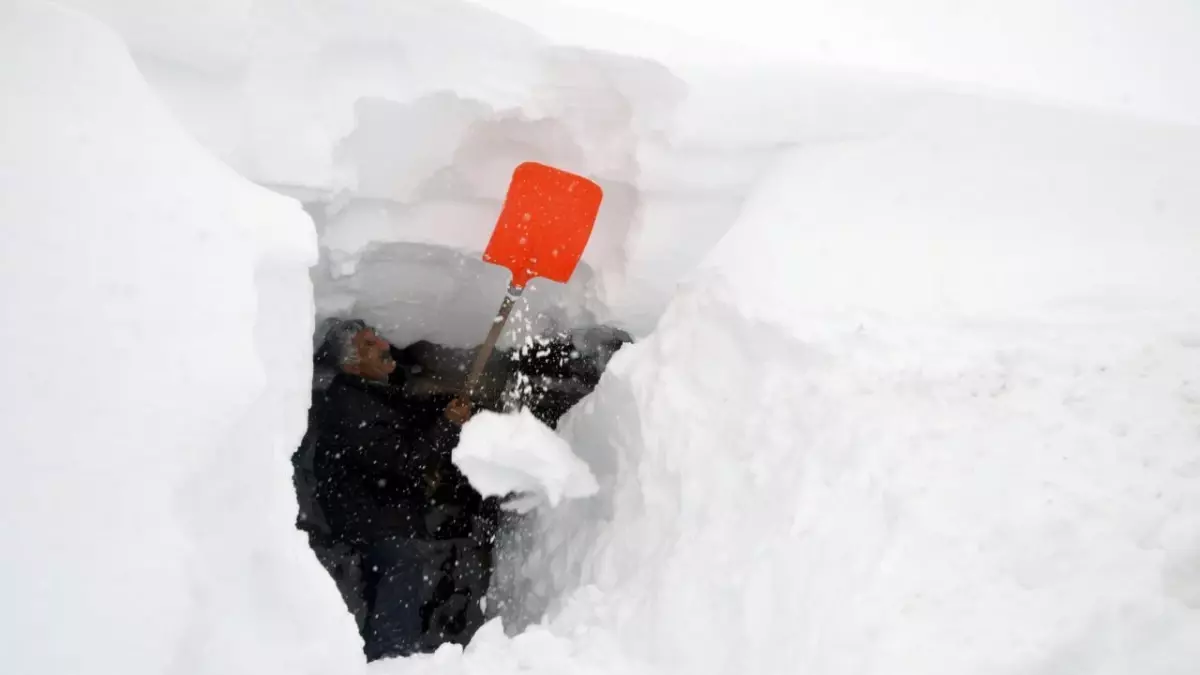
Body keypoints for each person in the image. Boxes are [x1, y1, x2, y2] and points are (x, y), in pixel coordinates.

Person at [303, 319, 497, 661]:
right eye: (369, 345)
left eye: (377, 338)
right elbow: (401, 461)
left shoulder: (370, 396)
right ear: (351, 365)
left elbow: (408, 423)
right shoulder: (350, 405)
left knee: (408, 575)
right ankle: (393, 659)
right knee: (401, 574)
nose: (383, 344)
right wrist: (446, 427)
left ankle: (402, 654)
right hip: (373, 526)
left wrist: (446, 411)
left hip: (386, 520)